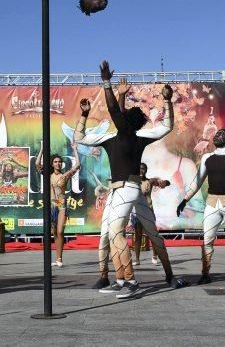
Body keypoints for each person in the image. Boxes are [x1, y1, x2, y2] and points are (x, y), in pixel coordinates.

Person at [76, 61, 182, 299]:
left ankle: (131, 281)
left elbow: (99, 122)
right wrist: (166, 100)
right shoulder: (133, 136)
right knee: (142, 234)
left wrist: (106, 83)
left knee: (114, 234)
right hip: (125, 190)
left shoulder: (122, 134)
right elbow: (168, 125)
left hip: (125, 190)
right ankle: (126, 279)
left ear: (124, 122)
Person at [177, 129, 225, 285]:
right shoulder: (207, 158)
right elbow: (196, 182)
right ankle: (205, 274)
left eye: (221, 135)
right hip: (212, 204)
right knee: (207, 240)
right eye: (217, 134)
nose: (218, 136)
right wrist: (184, 200)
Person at [36, 145, 81, 269]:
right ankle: (58, 259)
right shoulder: (48, 175)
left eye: (60, 162)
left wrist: (75, 150)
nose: (58, 163)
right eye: (55, 162)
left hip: (61, 204)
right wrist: (41, 149)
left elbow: (77, 165)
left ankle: (59, 258)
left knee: (60, 231)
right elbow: (37, 163)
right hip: (51, 205)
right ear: (52, 164)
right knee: (55, 232)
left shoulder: (64, 175)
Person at [132, 162, 170, 266]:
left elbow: (166, 183)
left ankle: (154, 256)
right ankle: (137, 259)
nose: (141, 170)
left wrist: (164, 183)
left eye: (143, 169)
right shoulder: (132, 182)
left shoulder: (150, 181)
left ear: (146, 170)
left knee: (152, 235)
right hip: (136, 212)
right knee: (138, 236)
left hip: (148, 211)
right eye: (139, 168)